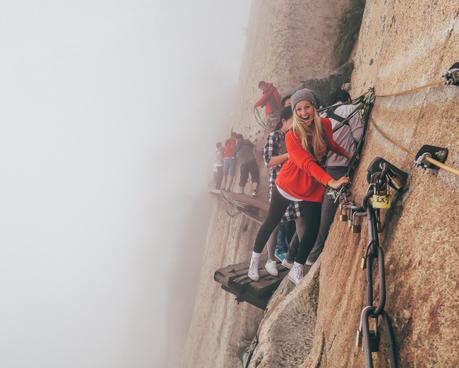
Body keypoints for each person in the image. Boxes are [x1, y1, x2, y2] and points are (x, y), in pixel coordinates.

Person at [247, 88, 352, 285]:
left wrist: (347, 155)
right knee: (271, 222)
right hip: (289, 184)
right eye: (299, 109)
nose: (304, 113)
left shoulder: (326, 124)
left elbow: (330, 144)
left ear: (314, 107)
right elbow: (306, 164)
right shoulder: (292, 135)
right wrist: (332, 181)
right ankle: (254, 262)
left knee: (312, 227)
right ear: (294, 112)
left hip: (311, 187)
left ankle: (297, 268)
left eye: (307, 107)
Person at [305, 89, 363, 265]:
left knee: (315, 210)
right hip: (339, 168)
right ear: (345, 99)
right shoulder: (350, 110)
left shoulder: (321, 115)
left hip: (321, 169)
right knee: (327, 213)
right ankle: (313, 255)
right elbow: (358, 136)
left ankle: (303, 251)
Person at [262, 106, 306, 275]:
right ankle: (270, 260)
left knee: (300, 219)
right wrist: (289, 155)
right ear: (284, 121)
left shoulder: (295, 136)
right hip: (278, 185)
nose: (296, 123)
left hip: (295, 183)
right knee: (275, 223)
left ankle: (301, 259)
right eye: (293, 121)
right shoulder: (275, 136)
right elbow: (269, 161)